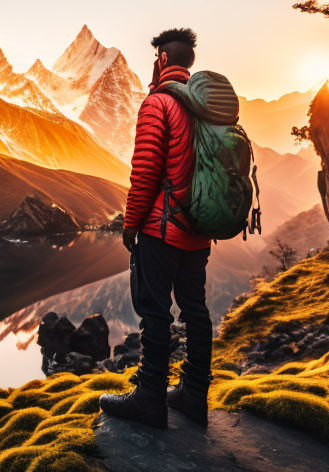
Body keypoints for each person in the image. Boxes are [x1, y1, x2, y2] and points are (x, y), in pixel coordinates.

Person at [99, 28, 212, 429]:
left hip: (162, 229)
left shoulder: (158, 103)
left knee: (155, 312)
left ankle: (150, 399)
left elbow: (145, 171)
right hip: (198, 231)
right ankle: (195, 395)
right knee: (195, 310)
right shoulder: (205, 107)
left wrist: (131, 226)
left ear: (162, 60)